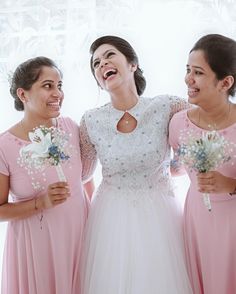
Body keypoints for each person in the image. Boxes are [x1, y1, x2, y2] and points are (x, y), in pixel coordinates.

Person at [79, 35, 192, 294]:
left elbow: (201, 128)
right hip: (109, 219)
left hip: (161, 214)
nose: (101, 64)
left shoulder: (167, 106)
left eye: (109, 55)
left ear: (132, 64)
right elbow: (83, 175)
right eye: (96, 64)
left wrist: (179, 165)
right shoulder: (91, 121)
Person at [0, 56, 91, 294]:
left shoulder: (71, 127)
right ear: (23, 95)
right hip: (36, 248)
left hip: (80, 238)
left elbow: (86, 179)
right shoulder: (4, 146)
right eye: (48, 86)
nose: (58, 94)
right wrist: (41, 203)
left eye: (59, 86)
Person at [169, 34, 236, 294]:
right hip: (197, 221)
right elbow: (175, 167)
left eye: (197, 72)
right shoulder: (178, 123)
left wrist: (229, 183)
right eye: (187, 70)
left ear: (225, 82)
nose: (188, 79)